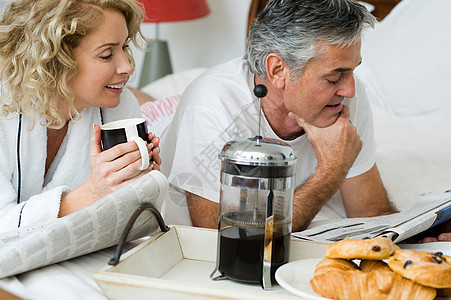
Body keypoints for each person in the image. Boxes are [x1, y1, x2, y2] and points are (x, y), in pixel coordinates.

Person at [160, 0, 394, 231]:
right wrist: (330, 173)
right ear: (278, 70)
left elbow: (370, 211)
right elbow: (223, 236)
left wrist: (420, 235)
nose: (349, 89)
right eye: (333, 78)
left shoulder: (346, 95)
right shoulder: (211, 106)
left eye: (353, 70)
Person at [0, 0, 161, 233]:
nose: (127, 66)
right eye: (106, 55)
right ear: (54, 60)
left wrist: (142, 181)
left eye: (124, 48)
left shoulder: (119, 107)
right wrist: (92, 192)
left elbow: (130, 221)